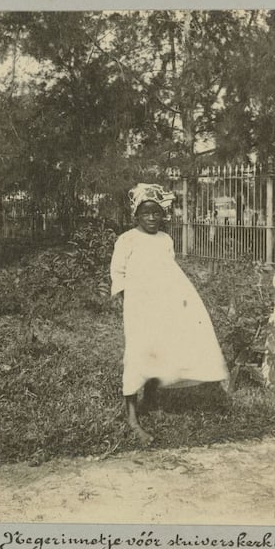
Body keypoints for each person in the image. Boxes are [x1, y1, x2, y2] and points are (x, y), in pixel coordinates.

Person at [110, 183, 230, 444]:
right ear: (136, 216)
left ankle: (150, 399)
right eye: (146, 213)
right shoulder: (127, 240)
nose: (152, 218)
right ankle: (131, 416)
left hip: (163, 303)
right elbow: (117, 273)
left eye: (156, 213)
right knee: (138, 350)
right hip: (138, 305)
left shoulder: (165, 240)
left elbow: (169, 273)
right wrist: (122, 298)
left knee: (161, 346)